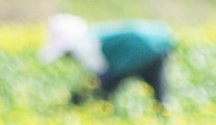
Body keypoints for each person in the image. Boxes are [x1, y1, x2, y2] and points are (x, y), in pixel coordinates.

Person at [42, 13, 175, 112]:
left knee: (107, 86)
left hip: (137, 50)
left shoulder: (83, 45)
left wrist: (77, 99)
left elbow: (100, 76)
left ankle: (104, 114)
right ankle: (162, 112)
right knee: (158, 93)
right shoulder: (93, 35)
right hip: (160, 43)